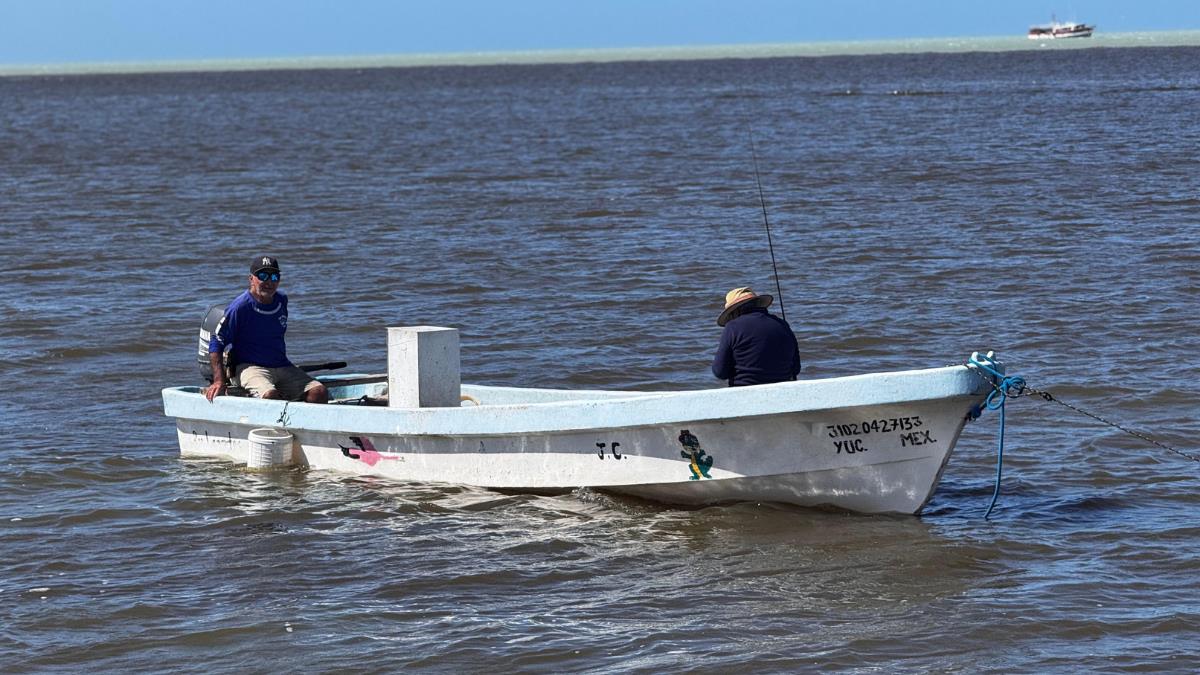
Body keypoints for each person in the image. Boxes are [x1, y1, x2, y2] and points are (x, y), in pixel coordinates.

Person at [204, 256, 329, 404]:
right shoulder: (240, 307)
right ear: (251, 279)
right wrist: (219, 380)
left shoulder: (281, 300)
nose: (269, 282)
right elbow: (217, 341)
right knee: (270, 396)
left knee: (319, 392)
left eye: (274, 276)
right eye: (263, 276)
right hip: (249, 367)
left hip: (281, 365)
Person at [711, 286, 801, 387]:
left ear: (735, 311)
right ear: (758, 304)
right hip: (782, 389)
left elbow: (719, 372)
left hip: (744, 390)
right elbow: (796, 368)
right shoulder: (782, 324)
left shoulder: (732, 328)